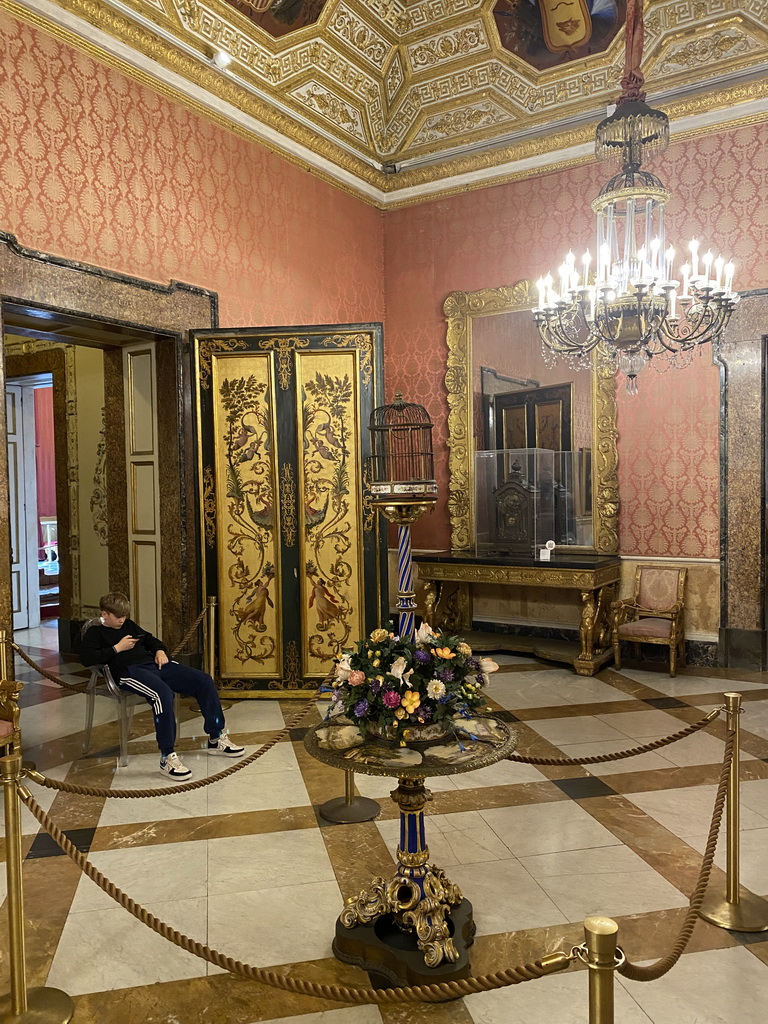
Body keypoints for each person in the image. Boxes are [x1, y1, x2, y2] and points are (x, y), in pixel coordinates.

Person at [80, 592, 244, 779]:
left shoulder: (128, 625)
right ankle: (167, 757)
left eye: (125, 616)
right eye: (118, 617)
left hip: (155, 664)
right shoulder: (95, 633)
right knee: (162, 694)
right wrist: (118, 648)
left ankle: (216, 737)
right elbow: (87, 659)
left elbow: (150, 640)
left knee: (204, 681)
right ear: (105, 614)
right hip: (129, 671)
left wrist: (159, 650)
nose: (122, 620)